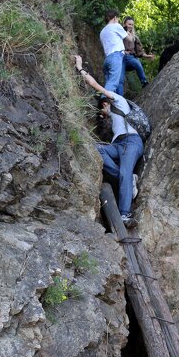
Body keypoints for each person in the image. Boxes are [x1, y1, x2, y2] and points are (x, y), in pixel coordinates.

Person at [74, 54, 143, 227]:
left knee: (123, 173)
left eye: (103, 105)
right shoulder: (112, 115)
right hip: (118, 144)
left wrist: (80, 67)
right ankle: (128, 180)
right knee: (96, 149)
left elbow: (95, 86)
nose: (103, 109)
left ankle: (125, 214)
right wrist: (105, 115)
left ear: (107, 101)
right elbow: (106, 115)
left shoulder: (118, 100)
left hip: (131, 141)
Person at [99, 9, 128, 95]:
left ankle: (109, 106)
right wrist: (129, 32)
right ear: (115, 18)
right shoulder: (116, 25)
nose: (118, 20)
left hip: (107, 59)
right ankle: (103, 102)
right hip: (116, 57)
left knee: (109, 84)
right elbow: (129, 39)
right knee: (113, 84)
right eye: (118, 18)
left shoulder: (102, 31)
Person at [122, 16, 154, 88]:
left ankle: (144, 82)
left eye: (132, 25)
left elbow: (139, 50)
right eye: (129, 24)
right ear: (124, 24)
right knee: (120, 79)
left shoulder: (134, 37)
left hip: (130, 57)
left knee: (136, 62)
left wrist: (147, 56)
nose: (131, 26)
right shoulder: (120, 33)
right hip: (121, 57)